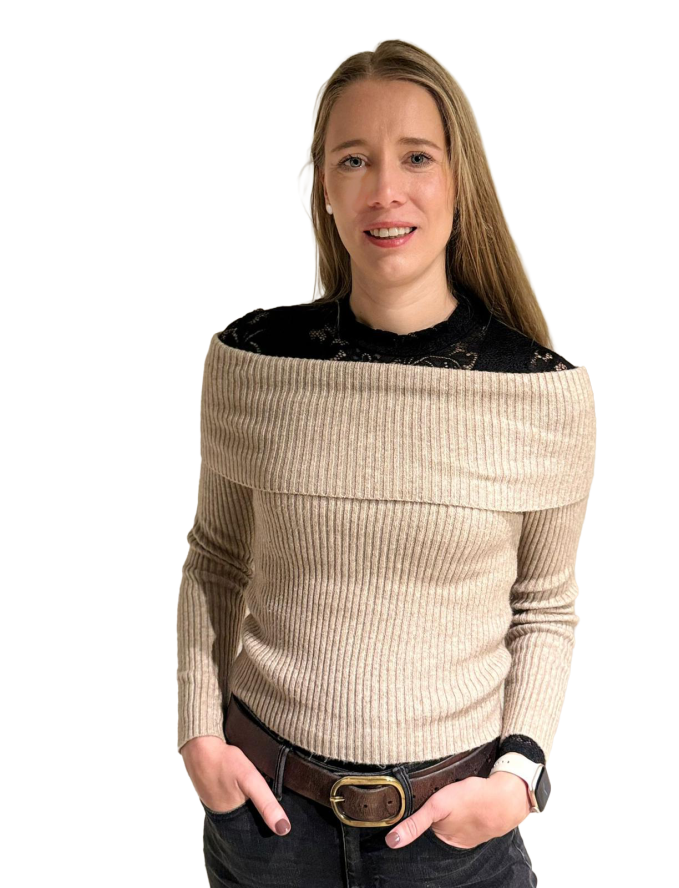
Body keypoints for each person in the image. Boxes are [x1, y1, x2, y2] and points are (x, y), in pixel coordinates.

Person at [176, 37, 596, 888]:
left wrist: (518, 779)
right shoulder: (252, 360)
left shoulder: (545, 393)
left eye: (416, 157)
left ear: (460, 181)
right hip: (266, 827)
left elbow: (546, 606)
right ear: (323, 190)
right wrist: (197, 735)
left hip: (456, 843)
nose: (384, 190)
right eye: (353, 159)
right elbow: (214, 558)